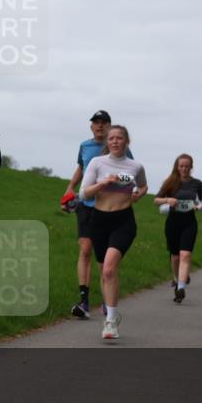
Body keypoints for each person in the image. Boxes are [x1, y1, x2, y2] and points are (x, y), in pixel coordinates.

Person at [62, 110, 134, 319]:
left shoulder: (120, 148)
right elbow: (81, 168)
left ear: (110, 126)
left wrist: (129, 195)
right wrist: (70, 188)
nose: (100, 126)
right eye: (96, 122)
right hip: (87, 204)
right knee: (85, 249)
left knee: (104, 259)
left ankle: (106, 299)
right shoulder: (85, 146)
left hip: (109, 207)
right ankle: (84, 301)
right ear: (91, 126)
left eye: (104, 122)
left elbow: (129, 173)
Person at [78, 126, 148, 339]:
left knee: (109, 269)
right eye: (112, 138)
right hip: (99, 221)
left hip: (123, 221)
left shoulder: (135, 166)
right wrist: (103, 183)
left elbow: (144, 186)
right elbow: (83, 194)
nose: (115, 141)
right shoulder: (97, 163)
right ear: (107, 142)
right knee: (104, 271)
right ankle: (110, 310)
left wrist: (137, 195)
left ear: (127, 141)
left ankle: (110, 321)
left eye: (119, 138)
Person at [153, 154, 202, 303]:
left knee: (185, 255)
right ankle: (177, 278)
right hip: (173, 222)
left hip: (189, 222)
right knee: (175, 256)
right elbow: (156, 200)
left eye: (187, 166)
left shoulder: (197, 183)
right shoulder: (170, 182)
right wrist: (167, 199)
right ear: (177, 167)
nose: (184, 169)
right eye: (181, 166)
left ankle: (180, 288)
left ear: (191, 167)